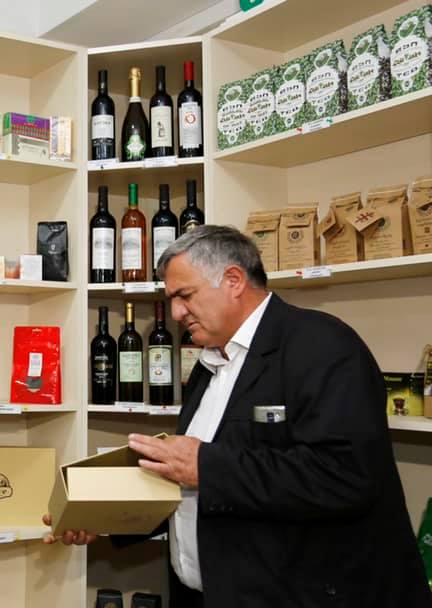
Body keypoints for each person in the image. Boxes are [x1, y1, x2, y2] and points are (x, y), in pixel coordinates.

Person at [120, 226, 431, 607]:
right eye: (171, 300)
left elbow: (345, 475)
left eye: (184, 296)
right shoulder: (208, 364)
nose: (176, 313)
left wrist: (206, 466)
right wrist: (103, 519)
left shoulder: (323, 345)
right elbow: (191, 488)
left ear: (233, 280)